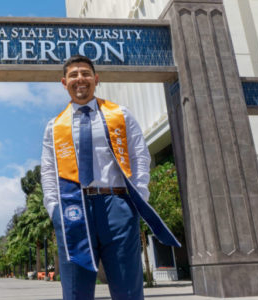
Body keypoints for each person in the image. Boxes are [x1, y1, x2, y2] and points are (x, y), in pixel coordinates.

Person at [40, 55, 180, 300]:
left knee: (127, 285)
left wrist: (138, 199)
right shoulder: (54, 126)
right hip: (74, 210)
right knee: (76, 289)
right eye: (73, 75)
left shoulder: (120, 114)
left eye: (85, 73)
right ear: (64, 83)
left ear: (96, 79)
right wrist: (54, 209)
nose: (79, 79)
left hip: (117, 205)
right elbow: (49, 172)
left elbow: (140, 155)